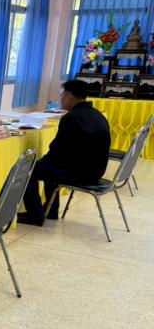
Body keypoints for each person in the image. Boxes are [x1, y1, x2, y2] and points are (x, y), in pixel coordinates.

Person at [17, 80, 111, 226]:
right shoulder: (98, 115)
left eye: (62, 95)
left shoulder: (71, 118)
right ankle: (51, 210)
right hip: (96, 171)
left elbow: (57, 151)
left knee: (28, 167)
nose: (60, 98)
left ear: (70, 97)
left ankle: (34, 215)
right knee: (48, 165)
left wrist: (41, 162)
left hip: (79, 174)